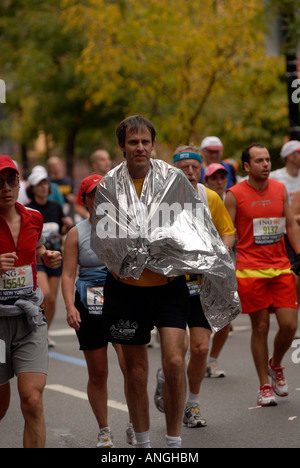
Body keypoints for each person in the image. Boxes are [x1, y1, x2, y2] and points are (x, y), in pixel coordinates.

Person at [154, 145, 235, 428]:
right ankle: (165, 376)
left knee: (200, 349)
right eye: (184, 167)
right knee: (178, 352)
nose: (190, 172)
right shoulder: (163, 198)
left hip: (203, 284)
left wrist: (221, 253)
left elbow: (228, 232)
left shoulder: (208, 196)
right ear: (176, 170)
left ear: (201, 169)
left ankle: (193, 405)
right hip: (173, 284)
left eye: (194, 167)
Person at [61, 174, 135, 448]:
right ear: (86, 200)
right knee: (98, 372)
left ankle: (134, 422)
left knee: (131, 367)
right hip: (88, 303)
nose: (101, 198)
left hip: (120, 300)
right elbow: (68, 275)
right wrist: (70, 307)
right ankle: (104, 430)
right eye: (94, 194)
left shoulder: (124, 227)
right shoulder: (76, 233)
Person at [225, 143, 300, 407]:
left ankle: (276, 364)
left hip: (280, 267)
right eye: (259, 161)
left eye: (267, 160)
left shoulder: (280, 190)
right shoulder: (234, 194)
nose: (265, 164)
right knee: (261, 327)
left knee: (290, 325)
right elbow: (229, 231)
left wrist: (299, 256)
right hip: (249, 269)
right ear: (246, 166)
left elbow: (290, 223)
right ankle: (263, 386)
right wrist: (223, 259)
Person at [0, 155, 62, 448]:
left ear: (18, 183)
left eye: (11, 181)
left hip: (29, 319)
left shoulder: (33, 217)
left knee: (33, 400)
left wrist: (45, 255)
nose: (6, 188)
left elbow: (36, 248)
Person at [26, 167, 73, 347]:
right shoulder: (28, 209)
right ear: (33, 188)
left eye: (45, 183)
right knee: (44, 294)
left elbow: (61, 229)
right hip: (38, 258)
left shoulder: (55, 207)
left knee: (53, 299)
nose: (44, 187)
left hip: (55, 257)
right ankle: (37, 327)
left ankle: (46, 330)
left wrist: (66, 226)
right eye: (39, 184)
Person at [74, 149, 112, 220]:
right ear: (94, 164)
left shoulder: (116, 180)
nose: (107, 162)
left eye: (108, 159)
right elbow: (78, 206)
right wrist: (88, 216)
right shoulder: (87, 183)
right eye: (103, 160)